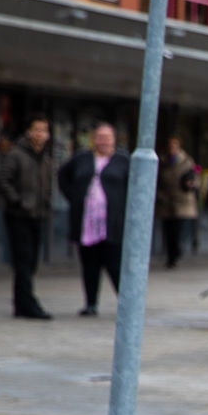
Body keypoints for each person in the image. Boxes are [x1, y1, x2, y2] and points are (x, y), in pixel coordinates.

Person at [57, 123, 131, 316]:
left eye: (107, 137)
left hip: (112, 224)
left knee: (115, 265)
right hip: (86, 224)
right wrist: (74, 197)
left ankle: (128, 304)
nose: (103, 141)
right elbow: (62, 176)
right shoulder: (82, 158)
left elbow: (134, 186)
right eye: (100, 137)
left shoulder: (123, 161)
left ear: (114, 140)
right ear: (94, 139)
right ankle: (91, 303)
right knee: (90, 265)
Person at [0, 115, 55, 320]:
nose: (40, 134)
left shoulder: (46, 159)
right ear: (29, 132)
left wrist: (47, 205)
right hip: (19, 216)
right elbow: (2, 180)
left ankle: (21, 304)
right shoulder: (16, 155)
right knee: (24, 262)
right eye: (37, 130)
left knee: (31, 262)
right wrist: (17, 201)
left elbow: (48, 186)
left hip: (38, 216)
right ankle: (28, 304)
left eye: (44, 130)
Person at [157, 136, 200, 269]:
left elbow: (196, 177)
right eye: (170, 146)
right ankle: (171, 258)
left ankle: (177, 253)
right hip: (167, 201)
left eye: (174, 146)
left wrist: (191, 183)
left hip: (182, 201)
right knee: (169, 232)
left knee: (178, 230)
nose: (172, 148)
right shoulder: (163, 161)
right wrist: (160, 195)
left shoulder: (187, 161)